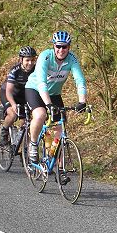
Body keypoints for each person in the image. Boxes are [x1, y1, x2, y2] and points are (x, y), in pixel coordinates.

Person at [25, 30, 87, 164]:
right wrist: (48, 105)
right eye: (58, 46)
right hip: (35, 89)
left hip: (54, 94)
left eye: (64, 46)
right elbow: (41, 82)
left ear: (69, 47)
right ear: (53, 46)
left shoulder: (72, 59)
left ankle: (55, 158)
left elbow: (80, 80)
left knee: (61, 125)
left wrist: (82, 101)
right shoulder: (45, 56)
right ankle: (33, 144)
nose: (61, 50)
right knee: (40, 115)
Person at [0, 46, 37, 146]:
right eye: (27, 60)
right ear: (21, 60)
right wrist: (13, 104)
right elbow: (8, 91)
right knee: (13, 114)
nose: (30, 63)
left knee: (25, 122)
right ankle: (4, 131)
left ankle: (21, 146)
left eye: (32, 60)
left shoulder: (37, 70)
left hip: (24, 95)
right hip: (9, 94)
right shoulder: (15, 70)